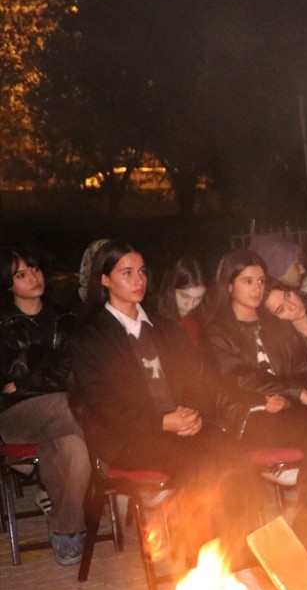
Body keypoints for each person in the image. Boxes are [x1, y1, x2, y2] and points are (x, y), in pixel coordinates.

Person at [70, 242, 255, 563]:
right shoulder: (91, 337)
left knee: (236, 455)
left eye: (141, 272)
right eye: (126, 273)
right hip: (129, 436)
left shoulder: (165, 328)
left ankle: (239, 554)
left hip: (180, 425)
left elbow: (196, 379)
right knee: (198, 466)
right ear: (104, 280)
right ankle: (205, 564)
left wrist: (193, 414)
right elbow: (102, 403)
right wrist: (161, 422)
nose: (138, 280)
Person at [203, 249, 307, 566]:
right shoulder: (217, 331)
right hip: (248, 415)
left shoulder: (277, 326)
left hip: (287, 411)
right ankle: (254, 549)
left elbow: (302, 367)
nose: (256, 288)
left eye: (261, 281)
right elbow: (235, 376)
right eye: (247, 281)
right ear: (230, 286)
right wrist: (278, 395)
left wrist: (292, 396)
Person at [0, 247, 89, 565]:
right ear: (10, 284)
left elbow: (71, 369)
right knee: (73, 406)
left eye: (34, 268)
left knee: (76, 453)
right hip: (16, 414)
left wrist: (26, 378)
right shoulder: (4, 323)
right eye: (21, 274)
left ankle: (65, 529)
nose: (32, 277)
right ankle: (113, 450)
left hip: (59, 413)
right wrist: (27, 384)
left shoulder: (64, 319)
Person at [152, 256, 207, 345]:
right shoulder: (153, 322)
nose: (190, 305)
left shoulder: (201, 321)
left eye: (198, 298)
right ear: (171, 289)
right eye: (185, 296)